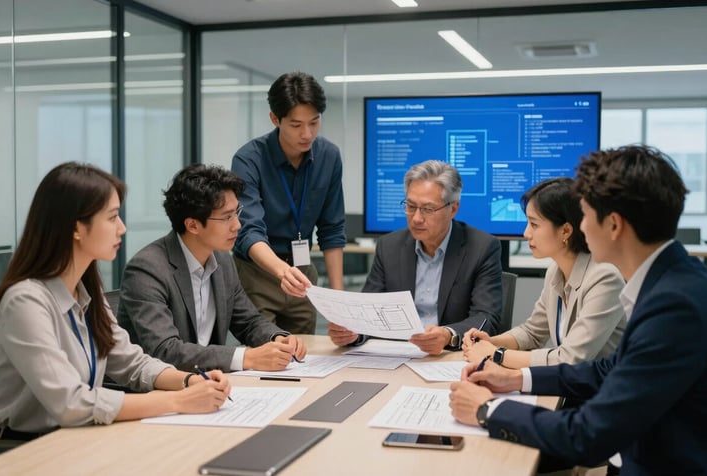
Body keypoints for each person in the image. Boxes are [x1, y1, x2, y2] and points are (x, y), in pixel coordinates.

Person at [449, 145, 707, 474]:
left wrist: (489, 410)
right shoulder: (674, 281)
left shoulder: (676, 307)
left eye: (585, 215)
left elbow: (589, 435)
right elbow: (607, 369)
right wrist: (515, 380)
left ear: (613, 225)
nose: (580, 228)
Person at [0, 162, 231, 443]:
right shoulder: (25, 302)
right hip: (23, 447)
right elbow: (71, 403)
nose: (122, 228)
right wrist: (179, 401)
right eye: (112, 218)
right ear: (76, 228)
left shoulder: (86, 292)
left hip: (77, 437)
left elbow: (132, 363)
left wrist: (189, 380)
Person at [118, 164, 306, 373]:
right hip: (160, 393)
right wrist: (247, 357)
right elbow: (165, 350)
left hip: (210, 384)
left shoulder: (222, 261)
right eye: (227, 217)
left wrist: (278, 338)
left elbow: (248, 322)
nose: (237, 225)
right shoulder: (147, 269)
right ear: (193, 225)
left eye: (237, 213)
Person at [328, 160, 502, 355]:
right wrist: (353, 332)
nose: (417, 218)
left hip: (450, 357)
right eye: (411, 206)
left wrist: (448, 335)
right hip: (396, 355)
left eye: (427, 209)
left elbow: (486, 317)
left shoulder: (482, 247)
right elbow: (369, 310)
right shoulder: (389, 246)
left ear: (453, 209)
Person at [462, 178, 626, 369]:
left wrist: (496, 355)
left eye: (534, 224)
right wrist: (490, 342)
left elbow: (571, 358)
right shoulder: (556, 271)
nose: (526, 233)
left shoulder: (605, 277)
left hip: (601, 393)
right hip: (569, 387)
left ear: (565, 230)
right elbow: (532, 332)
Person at [231, 71, 345, 335]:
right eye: (296, 125)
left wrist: (339, 301)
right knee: (264, 352)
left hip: (302, 271)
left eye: (314, 122)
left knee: (305, 353)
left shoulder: (329, 156)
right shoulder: (249, 159)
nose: (307, 133)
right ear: (275, 119)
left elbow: (332, 229)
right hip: (258, 271)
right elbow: (248, 230)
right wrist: (282, 271)